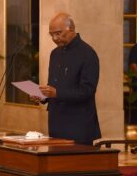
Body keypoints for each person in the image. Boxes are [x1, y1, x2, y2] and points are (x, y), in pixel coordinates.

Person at [31, 13, 101, 145]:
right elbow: (55, 85)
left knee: (75, 165)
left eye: (58, 33)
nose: (54, 38)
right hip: (56, 122)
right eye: (51, 34)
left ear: (71, 29)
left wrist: (56, 93)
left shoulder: (87, 54)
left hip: (78, 125)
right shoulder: (55, 53)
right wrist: (43, 96)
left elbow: (87, 91)